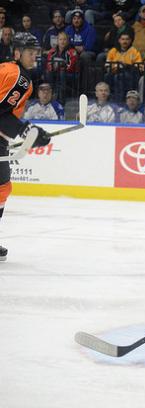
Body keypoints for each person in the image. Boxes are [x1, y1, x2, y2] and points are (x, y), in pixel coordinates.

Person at [0, 33, 52, 261]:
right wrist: (26, 131)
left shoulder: (7, 69)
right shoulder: (19, 78)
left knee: (3, 187)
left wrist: (27, 130)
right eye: (31, 53)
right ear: (18, 53)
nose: (35, 57)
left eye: (36, 53)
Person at [45, 32, 79, 104]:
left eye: (64, 39)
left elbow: (71, 66)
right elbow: (49, 63)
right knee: (48, 72)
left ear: (67, 41)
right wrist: (52, 68)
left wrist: (62, 68)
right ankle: (51, 94)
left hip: (69, 73)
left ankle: (62, 98)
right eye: (60, 39)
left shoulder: (72, 51)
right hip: (55, 72)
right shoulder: (52, 51)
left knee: (62, 72)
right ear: (57, 41)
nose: (62, 41)